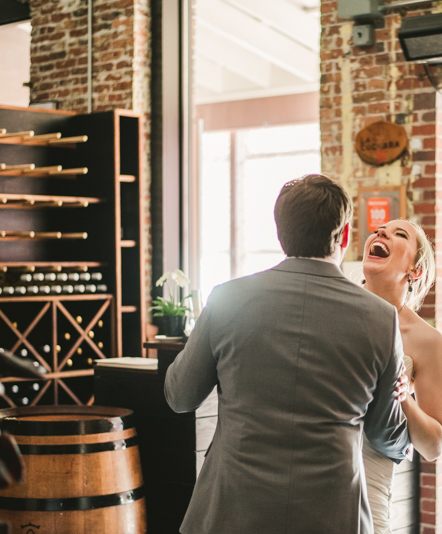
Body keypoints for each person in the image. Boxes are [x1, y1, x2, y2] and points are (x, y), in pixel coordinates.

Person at [164, 174, 411, 534]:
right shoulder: (380, 318)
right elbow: (385, 434)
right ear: (344, 236)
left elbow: (180, 396)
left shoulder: (226, 299)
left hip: (232, 511)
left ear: (281, 233)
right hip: (333, 513)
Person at [361, 219, 442, 534]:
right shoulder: (334, 306)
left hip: (368, 480)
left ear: (415, 271)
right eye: (380, 229)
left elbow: (434, 446)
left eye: (399, 234)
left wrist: (405, 400)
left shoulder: (428, 341)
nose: (381, 232)